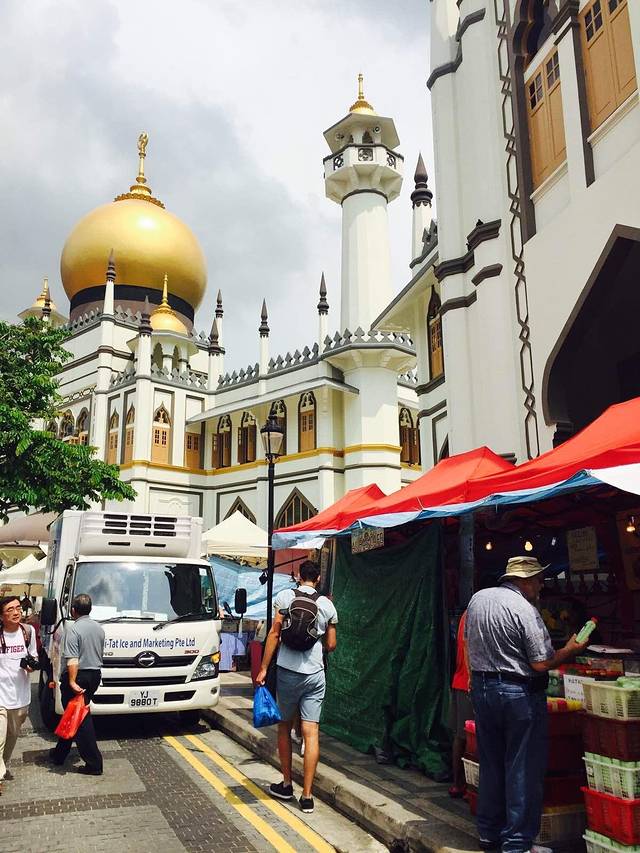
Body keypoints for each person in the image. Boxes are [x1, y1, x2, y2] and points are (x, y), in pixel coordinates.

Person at [465, 556, 589, 853]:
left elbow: (468, 642)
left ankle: (489, 833)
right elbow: (541, 662)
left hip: (483, 688)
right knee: (522, 767)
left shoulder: (478, 599)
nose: (541, 587)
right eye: (538, 581)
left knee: (492, 764)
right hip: (517, 693)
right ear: (525, 581)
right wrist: (570, 649)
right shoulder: (525, 609)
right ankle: (517, 842)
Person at [256, 560, 337, 814]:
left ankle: (287, 784)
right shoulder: (326, 605)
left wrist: (263, 668)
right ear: (319, 577)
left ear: (299, 576)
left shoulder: (285, 597)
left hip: (288, 672)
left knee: (284, 727)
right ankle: (308, 796)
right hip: (315, 674)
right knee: (311, 732)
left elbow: (274, 634)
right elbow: (332, 644)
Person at [49, 594, 105, 776]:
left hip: (78, 677)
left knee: (79, 719)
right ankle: (59, 754)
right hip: (94, 675)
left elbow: (72, 660)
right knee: (72, 714)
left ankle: (94, 763)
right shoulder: (98, 628)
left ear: (73, 610)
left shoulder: (73, 630)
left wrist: (71, 681)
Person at [0, 595, 38, 792]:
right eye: (10, 610)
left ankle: (3, 765)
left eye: (18, 608)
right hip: (1, 696)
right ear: (1, 616)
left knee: (12, 736)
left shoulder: (28, 632)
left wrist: (31, 666)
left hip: (21, 696)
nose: (16, 612)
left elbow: (34, 655)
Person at [448, 608, 472, 798]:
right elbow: (467, 646)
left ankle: (461, 784)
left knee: (461, 736)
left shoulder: (467, 613)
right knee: (466, 737)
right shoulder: (473, 612)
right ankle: (461, 784)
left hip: (462, 681)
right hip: (467, 683)